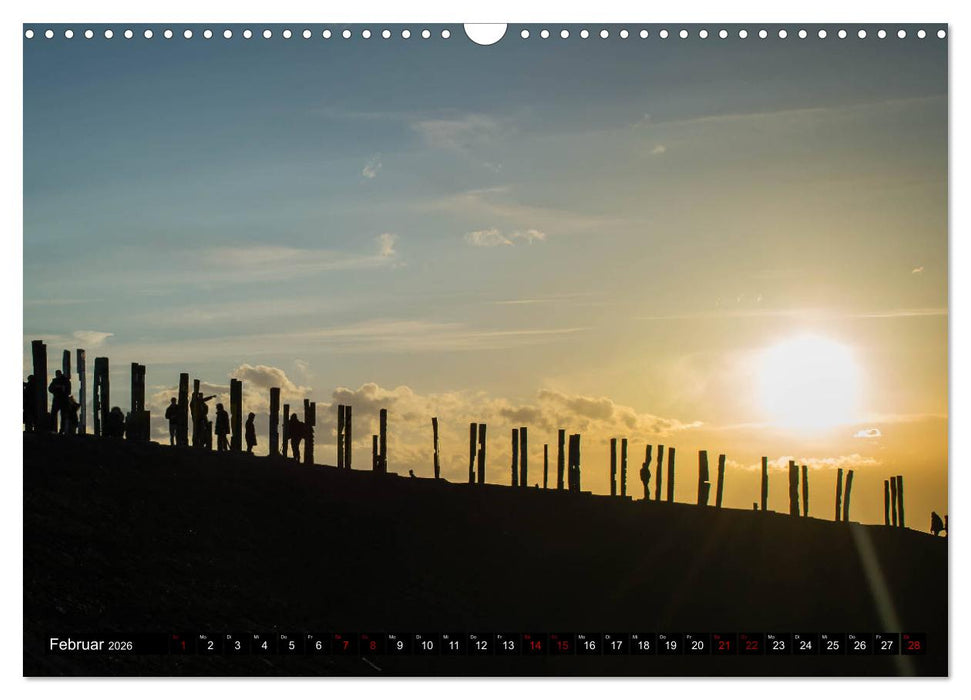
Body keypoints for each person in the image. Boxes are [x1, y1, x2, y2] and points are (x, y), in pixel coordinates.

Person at [48, 369, 71, 434]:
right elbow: (50, 389)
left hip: (60, 400)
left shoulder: (62, 381)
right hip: (60, 400)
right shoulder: (63, 381)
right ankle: (59, 430)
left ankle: (57, 429)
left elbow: (68, 391)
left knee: (57, 415)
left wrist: (59, 388)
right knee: (59, 415)